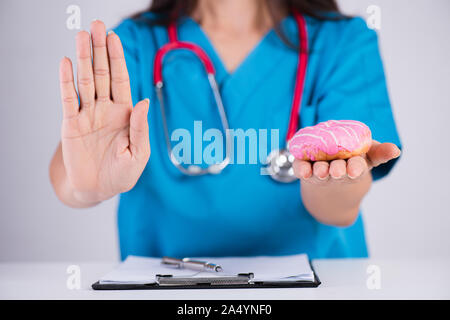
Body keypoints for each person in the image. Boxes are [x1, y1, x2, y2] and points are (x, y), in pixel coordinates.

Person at [50, 0, 402, 260]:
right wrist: (87, 187)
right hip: (169, 292)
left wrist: (331, 179)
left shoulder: (342, 43)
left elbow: (338, 210)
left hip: (315, 288)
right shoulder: (132, 46)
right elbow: (71, 177)